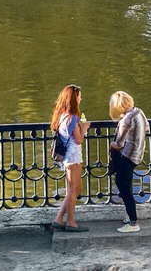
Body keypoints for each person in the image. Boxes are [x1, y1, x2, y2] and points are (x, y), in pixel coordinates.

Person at [49, 84, 91, 232]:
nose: (80, 98)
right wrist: (84, 128)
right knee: (73, 190)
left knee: (76, 188)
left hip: (69, 157)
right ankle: (71, 222)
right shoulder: (72, 118)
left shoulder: (63, 116)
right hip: (73, 157)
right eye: (79, 96)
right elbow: (78, 139)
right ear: (74, 98)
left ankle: (59, 219)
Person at [108, 91, 149, 234]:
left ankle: (133, 222)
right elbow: (147, 127)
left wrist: (112, 145)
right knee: (127, 184)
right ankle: (131, 216)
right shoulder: (139, 112)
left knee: (123, 186)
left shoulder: (126, 120)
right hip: (138, 154)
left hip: (128, 156)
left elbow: (119, 143)